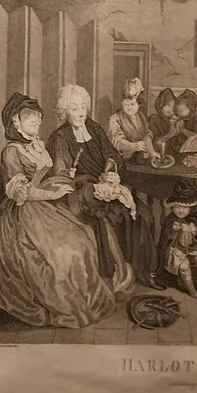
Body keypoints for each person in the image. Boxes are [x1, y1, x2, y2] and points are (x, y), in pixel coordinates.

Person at [0, 94, 109, 330]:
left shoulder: (37, 145)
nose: (36, 121)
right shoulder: (11, 152)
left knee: (82, 237)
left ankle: (85, 298)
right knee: (59, 253)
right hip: (20, 213)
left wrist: (65, 177)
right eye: (29, 118)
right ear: (15, 122)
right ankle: (65, 305)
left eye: (37, 117)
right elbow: (20, 192)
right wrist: (53, 195)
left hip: (43, 207)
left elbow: (46, 176)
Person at [50, 81, 135, 285]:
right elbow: (60, 175)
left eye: (83, 107)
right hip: (80, 192)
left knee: (141, 215)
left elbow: (112, 154)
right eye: (74, 108)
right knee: (108, 217)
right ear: (65, 112)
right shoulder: (60, 137)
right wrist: (73, 175)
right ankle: (108, 273)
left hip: (105, 184)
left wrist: (111, 171)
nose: (80, 113)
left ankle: (138, 270)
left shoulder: (94, 128)